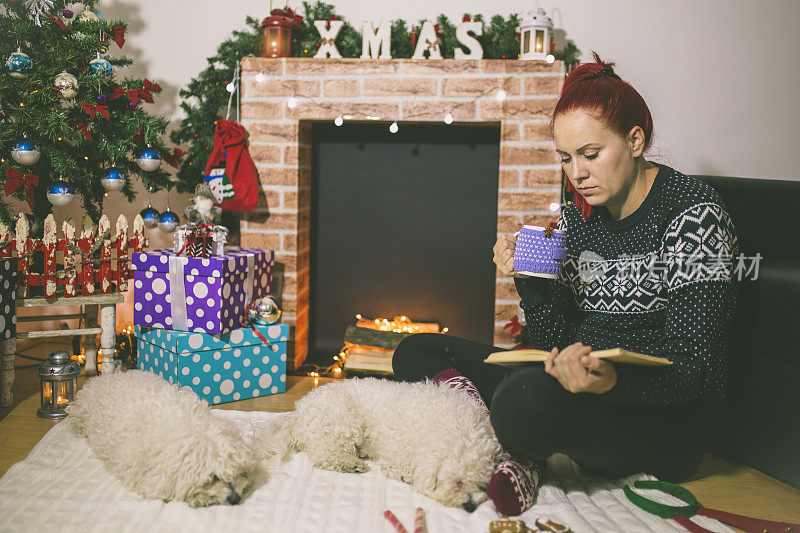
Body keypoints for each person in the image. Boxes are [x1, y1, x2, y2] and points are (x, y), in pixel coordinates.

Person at [392, 52, 739, 516]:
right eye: (566, 158)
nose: (576, 174)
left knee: (523, 400)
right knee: (415, 351)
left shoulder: (695, 215)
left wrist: (609, 381)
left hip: (659, 418)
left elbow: (696, 368)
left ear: (635, 141)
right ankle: (514, 439)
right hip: (574, 386)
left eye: (591, 155)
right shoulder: (580, 213)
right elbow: (557, 342)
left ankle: (514, 443)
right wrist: (529, 280)